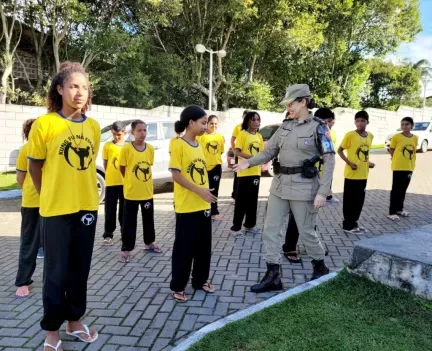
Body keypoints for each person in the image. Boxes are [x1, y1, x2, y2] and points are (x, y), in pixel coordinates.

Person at [234, 84, 335, 291]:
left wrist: (323, 191)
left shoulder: (319, 126)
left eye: (291, 103)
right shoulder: (285, 126)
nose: (288, 107)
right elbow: (269, 152)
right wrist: (249, 162)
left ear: (303, 102)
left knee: (306, 233)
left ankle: (320, 267)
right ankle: (273, 275)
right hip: (279, 186)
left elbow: (330, 159)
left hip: (305, 187)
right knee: (271, 231)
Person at [28, 61, 99, 350]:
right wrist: (46, 194)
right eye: (73, 86)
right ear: (60, 89)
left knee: (79, 270)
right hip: (56, 210)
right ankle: (52, 330)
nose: (79, 92)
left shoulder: (94, 127)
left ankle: (73, 321)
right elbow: (35, 166)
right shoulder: (44, 124)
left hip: (87, 207)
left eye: (84, 87)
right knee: (55, 272)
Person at [169, 105, 217, 303]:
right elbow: (176, 175)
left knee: (203, 247)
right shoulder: (177, 144)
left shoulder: (200, 144)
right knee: (184, 248)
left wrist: (205, 193)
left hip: (203, 206)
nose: (206, 126)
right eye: (203, 122)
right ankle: (178, 286)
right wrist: (200, 191)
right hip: (187, 206)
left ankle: (200, 280)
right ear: (190, 122)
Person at [119, 120, 162, 263]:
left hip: (147, 192)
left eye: (145, 130)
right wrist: (130, 180)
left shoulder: (149, 148)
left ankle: (149, 243)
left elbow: (148, 166)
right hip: (131, 193)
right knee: (129, 222)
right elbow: (122, 168)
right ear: (132, 132)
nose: (142, 133)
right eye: (139, 130)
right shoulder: (126, 149)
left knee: (148, 220)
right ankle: (126, 249)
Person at [15, 119, 43, 298]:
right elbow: (20, 178)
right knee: (29, 243)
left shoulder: (51, 148)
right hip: (32, 204)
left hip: (55, 203)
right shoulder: (25, 150)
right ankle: (23, 281)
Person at [338, 110, 375, 234]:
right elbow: (340, 150)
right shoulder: (350, 135)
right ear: (354, 122)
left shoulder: (370, 136)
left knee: (359, 201)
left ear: (367, 122)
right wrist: (349, 162)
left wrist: (368, 163)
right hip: (351, 174)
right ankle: (347, 225)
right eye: (357, 121)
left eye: (362, 121)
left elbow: (365, 153)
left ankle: (354, 223)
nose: (360, 123)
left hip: (363, 174)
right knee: (349, 201)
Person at [231, 112, 264, 237]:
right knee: (241, 202)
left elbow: (262, 154)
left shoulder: (259, 136)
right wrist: (252, 158)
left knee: (252, 201)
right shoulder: (242, 134)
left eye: (258, 120)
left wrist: (258, 161)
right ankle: (236, 227)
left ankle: (250, 225)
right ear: (247, 121)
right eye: (253, 120)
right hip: (244, 173)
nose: (256, 122)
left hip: (255, 172)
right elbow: (237, 152)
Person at [387, 117, 417, 221]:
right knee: (396, 189)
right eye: (402, 124)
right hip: (398, 167)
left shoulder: (415, 138)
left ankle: (399, 209)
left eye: (407, 124)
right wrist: (395, 159)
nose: (404, 126)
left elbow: (413, 151)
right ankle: (392, 212)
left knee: (403, 189)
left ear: (412, 125)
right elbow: (392, 149)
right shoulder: (397, 137)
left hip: (409, 167)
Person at [102, 121, 126, 245]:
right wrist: (110, 175)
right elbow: (105, 163)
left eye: (120, 134)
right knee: (110, 209)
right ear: (112, 132)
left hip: (125, 183)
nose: (117, 137)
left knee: (124, 210)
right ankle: (108, 234)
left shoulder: (128, 147)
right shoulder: (107, 146)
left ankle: (125, 233)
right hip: (111, 182)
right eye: (115, 134)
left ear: (125, 133)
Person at [198, 115, 225, 220]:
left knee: (214, 190)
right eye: (211, 123)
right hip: (203, 167)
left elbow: (221, 151)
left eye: (215, 124)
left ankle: (214, 212)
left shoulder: (220, 137)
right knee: (204, 190)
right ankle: (203, 210)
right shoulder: (201, 137)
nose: (213, 126)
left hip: (216, 167)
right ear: (207, 124)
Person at [230, 110, 249, 202]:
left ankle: (245, 196)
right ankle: (235, 196)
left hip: (248, 156)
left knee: (247, 176)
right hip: (240, 155)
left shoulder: (253, 128)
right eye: (245, 116)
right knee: (237, 175)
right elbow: (232, 140)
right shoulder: (238, 127)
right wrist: (235, 151)